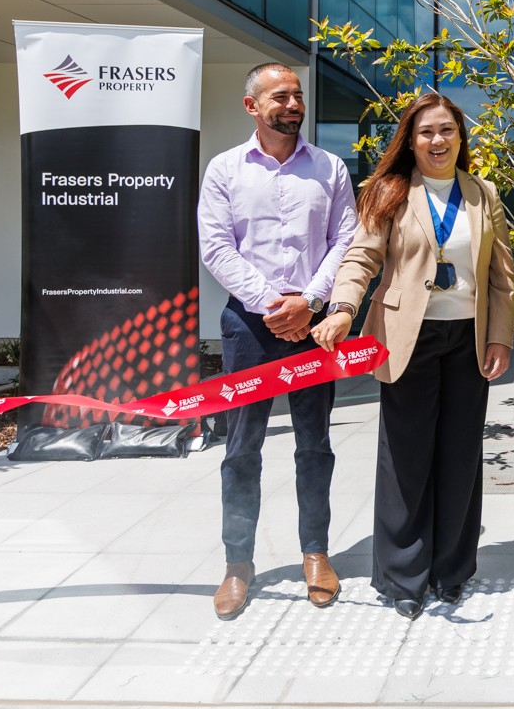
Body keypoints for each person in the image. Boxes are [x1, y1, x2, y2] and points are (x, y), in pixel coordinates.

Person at [311, 93, 514, 620]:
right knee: (406, 459)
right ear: (411, 138)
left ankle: (451, 571)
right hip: (407, 336)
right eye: (426, 132)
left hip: (468, 338)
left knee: (460, 456)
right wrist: (341, 309)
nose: (438, 141)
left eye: (447, 130)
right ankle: (404, 577)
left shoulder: (482, 193)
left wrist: (501, 338)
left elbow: (501, 276)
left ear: (460, 136)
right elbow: (361, 257)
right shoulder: (389, 191)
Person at [198, 63, 358, 621]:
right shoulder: (224, 170)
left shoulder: (330, 167)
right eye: (280, 96)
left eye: (298, 96)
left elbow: (347, 239)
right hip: (250, 327)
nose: (293, 104)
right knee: (241, 449)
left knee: (315, 446)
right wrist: (274, 304)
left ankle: (316, 553)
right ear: (252, 106)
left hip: (314, 328)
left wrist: (309, 303)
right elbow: (216, 248)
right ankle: (238, 564)